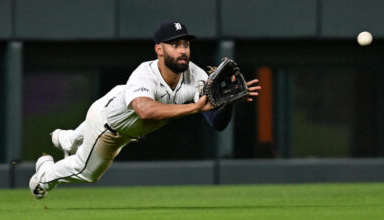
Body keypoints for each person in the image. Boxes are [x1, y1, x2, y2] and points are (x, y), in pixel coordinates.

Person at [29, 21, 261, 199]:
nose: (183, 50)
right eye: (175, 44)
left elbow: (215, 122)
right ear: (159, 50)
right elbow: (145, 111)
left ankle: (67, 139)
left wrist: (226, 104)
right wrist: (193, 108)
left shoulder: (196, 75)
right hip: (108, 126)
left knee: (82, 140)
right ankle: (43, 175)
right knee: (87, 172)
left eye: (186, 44)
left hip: (117, 107)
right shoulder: (145, 72)